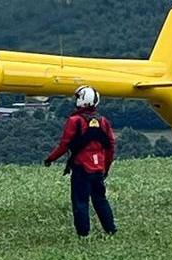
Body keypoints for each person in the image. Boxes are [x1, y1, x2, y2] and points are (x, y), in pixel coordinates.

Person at [44, 86, 117, 237]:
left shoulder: (75, 121)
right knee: (100, 200)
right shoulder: (103, 122)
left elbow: (64, 145)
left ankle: (83, 234)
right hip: (98, 169)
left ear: (82, 100)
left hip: (81, 168)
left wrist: (50, 158)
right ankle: (111, 230)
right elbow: (110, 147)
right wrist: (106, 169)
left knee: (80, 202)